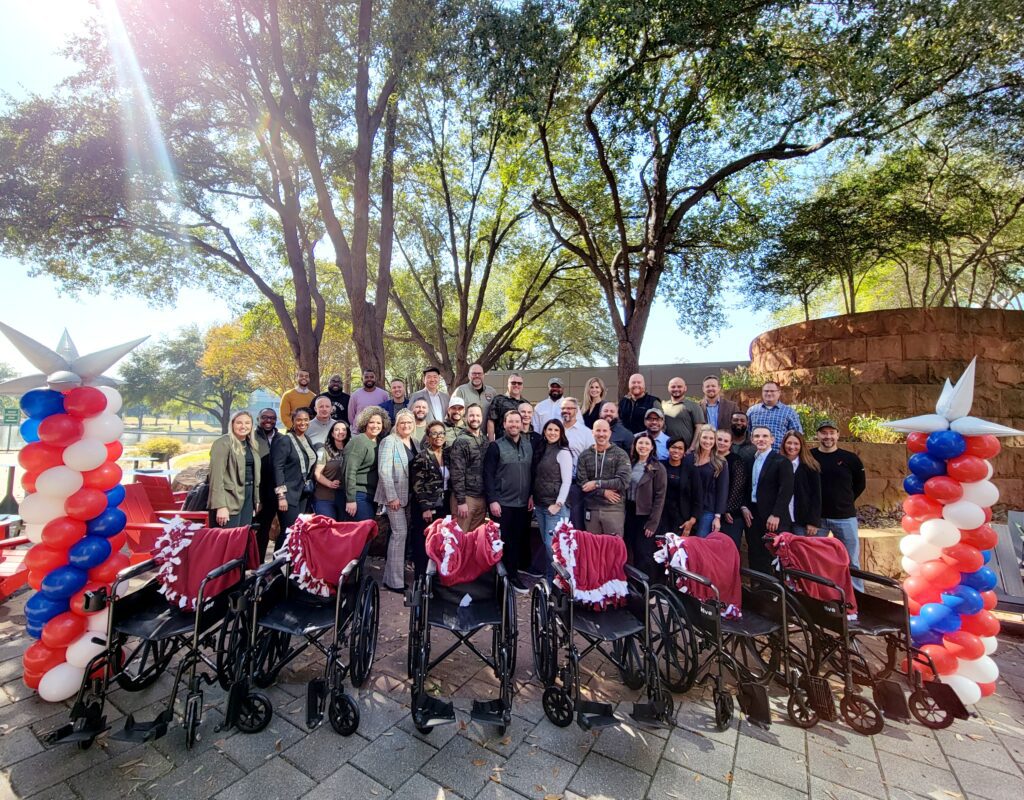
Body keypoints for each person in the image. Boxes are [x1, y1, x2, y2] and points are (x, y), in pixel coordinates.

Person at [811, 420, 867, 588]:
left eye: (831, 433)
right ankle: (818, 595)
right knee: (815, 560)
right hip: (817, 519)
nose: (828, 437)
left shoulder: (850, 459)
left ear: (837, 435)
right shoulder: (809, 456)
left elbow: (860, 484)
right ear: (817, 435)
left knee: (851, 560)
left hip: (844, 517)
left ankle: (858, 597)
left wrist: (845, 501)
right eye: (824, 433)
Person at [483, 410, 533, 592]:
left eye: (516, 422)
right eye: (510, 421)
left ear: (521, 424)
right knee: (502, 541)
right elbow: (488, 475)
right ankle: (501, 578)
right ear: (503, 424)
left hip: (522, 503)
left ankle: (512, 575)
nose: (513, 425)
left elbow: (532, 471)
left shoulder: (528, 445)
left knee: (517, 541)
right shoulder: (496, 446)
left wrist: (531, 495)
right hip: (502, 503)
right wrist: (493, 500)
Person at [739, 426, 794, 572]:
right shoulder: (749, 460)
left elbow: (786, 491)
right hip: (753, 515)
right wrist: (744, 506)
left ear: (772, 439)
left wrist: (776, 514)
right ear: (752, 440)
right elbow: (745, 487)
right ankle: (758, 590)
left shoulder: (781, 462)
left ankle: (776, 593)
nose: (760, 439)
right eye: (757, 436)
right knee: (756, 554)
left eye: (764, 436)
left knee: (774, 557)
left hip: (773, 517)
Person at [376, 409, 418, 592]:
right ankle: (394, 582)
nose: (406, 426)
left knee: (402, 536)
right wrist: (391, 497)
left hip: (410, 496)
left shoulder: (414, 442)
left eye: (409, 423)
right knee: (399, 534)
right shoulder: (389, 441)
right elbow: (384, 471)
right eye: (402, 423)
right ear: (397, 425)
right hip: (394, 498)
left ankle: (391, 576)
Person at [530, 419, 573, 579]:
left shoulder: (563, 452)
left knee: (553, 546)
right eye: (549, 429)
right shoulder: (542, 449)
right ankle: (551, 578)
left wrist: (558, 503)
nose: (552, 433)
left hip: (556, 507)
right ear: (544, 431)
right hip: (541, 505)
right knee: (548, 545)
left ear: (561, 433)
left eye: (556, 430)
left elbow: (567, 481)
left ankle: (562, 580)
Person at [409, 421, 451, 578]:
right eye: (434, 433)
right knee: (423, 541)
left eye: (441, 433)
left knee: (441, 539)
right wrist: (425, 508)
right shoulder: (422, 457)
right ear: (428, 436)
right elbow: (417, 485)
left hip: (444, 504)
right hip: (426, 506)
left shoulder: (448, 456)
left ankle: (437, 576)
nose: (438, 436)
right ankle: (421, 576)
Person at [576, 419, 631, 535]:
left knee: (613, 548)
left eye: (605, 431)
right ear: (592, 432)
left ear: (610, 433)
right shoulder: (584, 456)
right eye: (598, 430)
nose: (601, 434)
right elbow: (582, 483)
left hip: (613, 509)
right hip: (591, 509)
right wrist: (603, 492)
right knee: (593, 548)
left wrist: (596, 484)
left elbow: (623, 482)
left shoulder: (620, 454)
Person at [271, 408, 317, 544]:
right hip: (288, 494)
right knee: (288, 531)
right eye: (299, 420)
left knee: (297, 531)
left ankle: (292, 565)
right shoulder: (286, 440)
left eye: (306, 420)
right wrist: (281, 496)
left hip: (302, 494)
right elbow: (277, 468)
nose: (302, 423)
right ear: (293, 421)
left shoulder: (306, 439)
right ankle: (276, 564)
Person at [208, 411, 261, 529]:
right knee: (227, 540)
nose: (243, 426)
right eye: (239, 423)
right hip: (229, 498)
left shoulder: (252, 445)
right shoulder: (223, 443)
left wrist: (256, 499)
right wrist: (221, 506)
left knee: (241, 538)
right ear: (232, 424)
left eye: (247, 423)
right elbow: (215, 477)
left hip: (248, 495)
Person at [625, 433, 667, 577]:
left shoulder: (658, 468)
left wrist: (652, 523)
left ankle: (648, 589)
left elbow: (660, 497)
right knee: (628, 550)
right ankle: (632, 586)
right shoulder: (629, 464)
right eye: (640, 443)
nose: (643, 446)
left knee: (643, 552)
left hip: (646, 515)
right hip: (629, 512)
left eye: (647, 444)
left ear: (652, 448)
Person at [344, 405, 390, 522]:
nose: (375, 426)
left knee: (370, 532)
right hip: (358, 495)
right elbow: (349, 470)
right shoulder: (359, 441)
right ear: (365, 423)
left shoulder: (380, 442)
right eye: (371, 422)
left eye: (379, 423)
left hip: (373, 495)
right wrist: (351, 499)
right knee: (364, 531)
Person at [685, 424, 729, 537]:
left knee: (701, 544)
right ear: (699, 438)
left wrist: (717, 517)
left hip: (707, 509)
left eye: (711, 438)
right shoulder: (689, 459)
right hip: (688, 507)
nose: (707, 441)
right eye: (705, 437)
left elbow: (722, 491)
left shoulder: (720, 462)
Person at [450, 403, 489, 530]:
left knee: (475, 541)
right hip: (466, 499)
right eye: (471, 415)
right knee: (460, 538)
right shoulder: (461, 441)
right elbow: (457, 473)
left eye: (477, 415)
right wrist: (461, 501)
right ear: (466, 417)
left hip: (481, 498)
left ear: (482, 417)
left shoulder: (484, 440)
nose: (474, 418)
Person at [560, 397, 594, 528]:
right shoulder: (555, 429)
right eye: (563, 408)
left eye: (569, 408)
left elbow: (591, 459)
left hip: (576, 484)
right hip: (556, 484)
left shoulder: (585, 432)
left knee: (575, 524)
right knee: (559, 524)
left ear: (576, 410)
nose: (566, 411)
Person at [781, 431, 822, 537]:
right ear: (784, 444)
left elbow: (816, 496)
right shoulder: (776, 463)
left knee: (801, 552)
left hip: (802, 521)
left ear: (801, 445)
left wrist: (813, 521)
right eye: (789, 443)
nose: (792, 447)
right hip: (781, 520)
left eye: (796, 444)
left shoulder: (810, 466)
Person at [253, 408, 280, 560]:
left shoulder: (281, 438)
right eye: (264, 417)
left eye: (272, 418)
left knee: (273, 530)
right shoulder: (251, 438)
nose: (268, 420)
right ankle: (255, 564)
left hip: (275, 492)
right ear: (258, 419)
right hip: (257, 492)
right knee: (258, 531)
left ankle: (271, 567)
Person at [660, 437, 701, 536]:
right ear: (668, 448)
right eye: (673, 447)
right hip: (661, 516)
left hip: (682, 518)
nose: (676, 451)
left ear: (684, 451)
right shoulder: (660, 466)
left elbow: (698, 497)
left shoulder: (691, 470)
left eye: (680, 448)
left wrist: (692, 521)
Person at [716, 428, 749, 551]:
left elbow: (737, 487)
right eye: (719, 439)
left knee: (729, 550)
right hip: (712, 511)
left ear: (730, 444)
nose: (722, 443)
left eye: (726, 441)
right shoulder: (708, 458)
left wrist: (726, 509)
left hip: (731, 514)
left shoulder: (736, 461)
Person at [746, 381, 802, 451]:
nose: (769, 393)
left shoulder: (789, 412)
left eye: (772, 391)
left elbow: (797, 435)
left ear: (779, 393)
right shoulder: (752, 411)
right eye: (766, 391)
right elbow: (746, 433)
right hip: (755, 455)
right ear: (762, 393)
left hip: (780, 455)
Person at [312, 420, 349, 519]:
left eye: (343, 429)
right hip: (324, 497)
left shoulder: (351, 449)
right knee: (328, 526)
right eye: (337, 430)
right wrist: (329, 483)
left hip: (344, 497)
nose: (340, 432)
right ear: (332, 433)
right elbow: (317, 473)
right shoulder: (323, 450)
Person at [662, 377, 705, 449]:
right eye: (673, 387)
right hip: (667, 450)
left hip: (686, 451)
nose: (676, 389)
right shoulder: (663, 406)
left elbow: (699, 428)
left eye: (679, 386)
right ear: (668, 388)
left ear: (685, 388)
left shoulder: (694, 406)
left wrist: (692, 448)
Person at [488, 373, 526, 440]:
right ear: (508, 384)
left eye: (519, 383)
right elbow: (491, 422)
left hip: (521, 444)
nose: (516, 385)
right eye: (513, 383)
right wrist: (491, 442)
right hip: (501, 443)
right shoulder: (499, 400)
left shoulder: (526, 404)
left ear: (522, 386)